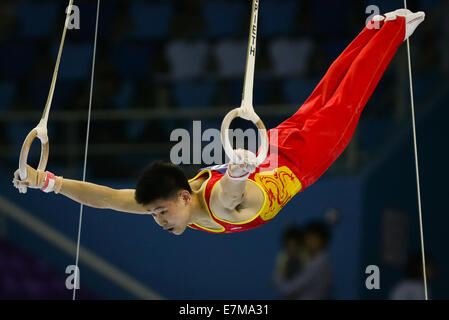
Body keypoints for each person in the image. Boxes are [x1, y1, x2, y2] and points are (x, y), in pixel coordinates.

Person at [13, 9, 425, 236]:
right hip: (290, 160)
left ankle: (391, 30)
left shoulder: (214, 205)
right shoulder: (186, 199)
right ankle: (373, 29)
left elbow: (230, 195)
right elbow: (105, 197)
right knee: (328, 96)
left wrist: (240, 174)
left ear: (182, 197)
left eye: (158, 213)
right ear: (184, 197)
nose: (158, 220)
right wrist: (50, 183)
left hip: (281, 161)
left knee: (342, 100)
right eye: (158, 214)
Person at [274, 221, 333, 299]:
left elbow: (290, 288)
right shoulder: (316, 260)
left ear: (320, 240)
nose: (306, 242)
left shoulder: (318, 263)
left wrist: (278, 278)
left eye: (310, 238)